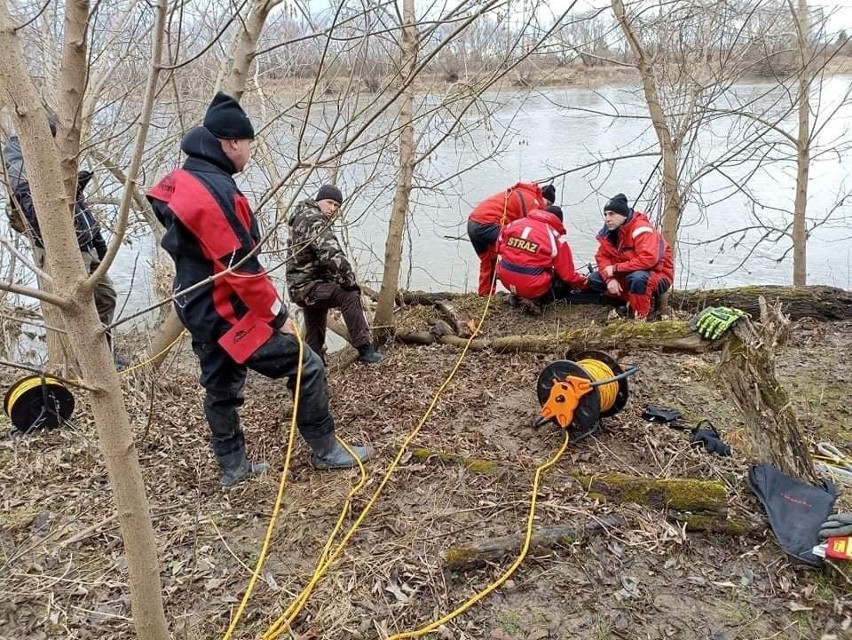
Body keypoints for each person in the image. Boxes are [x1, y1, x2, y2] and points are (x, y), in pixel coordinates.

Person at [147, 92, 370, 486]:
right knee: (307, 364)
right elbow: (242, 269)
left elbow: (167, 213)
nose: (250, 151)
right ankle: (326, 450)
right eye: (249, 143)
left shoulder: (183, 177)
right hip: (225, 313)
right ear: (232, 142)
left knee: (221, 386)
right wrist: (277, 317)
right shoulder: (217, 191)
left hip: (193, 304)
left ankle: (233, 470)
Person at [3, 115, 117, 335]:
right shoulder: (22, 169)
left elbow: (81, 210)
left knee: (106, 297)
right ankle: (83, 361)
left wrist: (99, 246)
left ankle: (105, 356)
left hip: (86, 244)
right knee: (81, 311)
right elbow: (40, 218)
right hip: (67, 252)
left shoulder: (51, 162)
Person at [285, 185, 383, 364]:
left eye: (337, 206)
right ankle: (365, 350)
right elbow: (331, 255)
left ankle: (312, 367)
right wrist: (349, 281)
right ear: (318, 201)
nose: (332, 209)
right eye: (329, 203)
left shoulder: (303, 216)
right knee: (349, 295)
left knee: (315, 324)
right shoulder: (314, 219)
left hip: (304, 287)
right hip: (307, 286)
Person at [586, 193, 674, 320]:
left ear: (623, 215)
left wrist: (615, 269)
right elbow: (601, 257)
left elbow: (649, 259)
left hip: (658, 274)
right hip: (628, 273)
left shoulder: (642, 229)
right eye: (605, 214)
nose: (607, 218)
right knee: (595, 279)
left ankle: (639, 317)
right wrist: (610, 279)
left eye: (612, 214)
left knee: (638, 278)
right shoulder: (610, 232)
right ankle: (630, 301)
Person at [467, 182, 555, 296]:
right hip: (488, 225)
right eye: (547, 204)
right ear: (544, 198)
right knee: (519, 249)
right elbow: (529, 229)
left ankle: (485, 295)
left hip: (473, 224)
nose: (545, 209)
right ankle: (520, 287)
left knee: (489, 260)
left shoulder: (521, 193)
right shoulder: (533, 201)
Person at [496, 205, 587, 311]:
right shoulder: (554, 237)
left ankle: (517, 294)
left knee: (523, 265)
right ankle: (536, 300)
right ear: (559, 222)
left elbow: (498, 248)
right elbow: (568, 275)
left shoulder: (514, 224)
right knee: (560, 281)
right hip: (532, 286)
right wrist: (585, 283)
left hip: (506, 280)